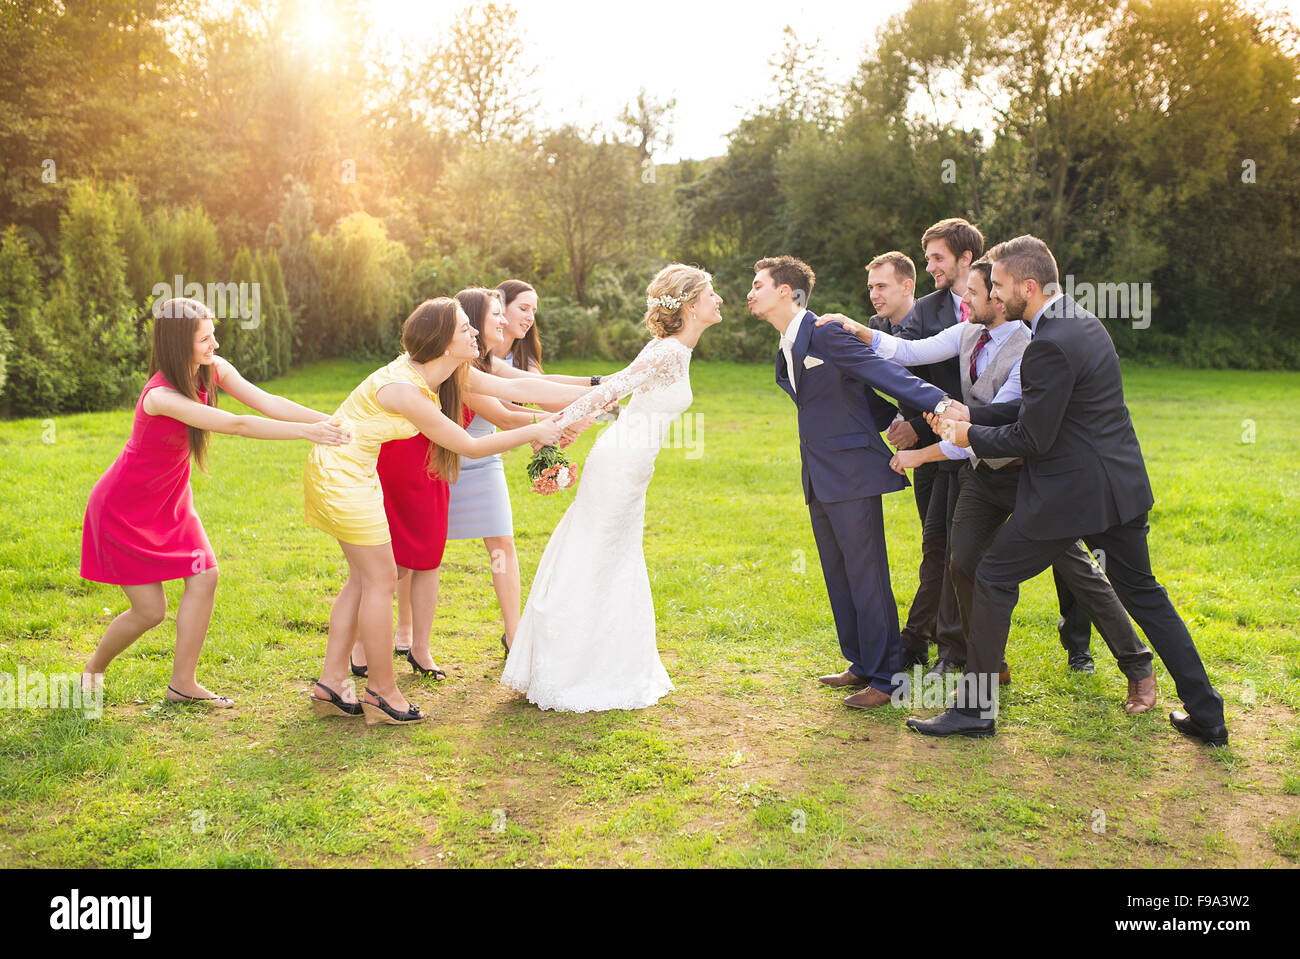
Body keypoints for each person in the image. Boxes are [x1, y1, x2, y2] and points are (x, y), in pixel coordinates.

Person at [920, 235, 1227, 745]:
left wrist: (966, 435)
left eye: (998, 287)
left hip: (1071, 495)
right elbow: (1035, 410)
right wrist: (970, 413)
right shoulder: (1082, 323)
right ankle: (1208, 713)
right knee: (1146, 596)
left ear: (1029, 286)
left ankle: (975, 712)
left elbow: (1033, 437)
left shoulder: (1047, 344)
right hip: (1120, 487)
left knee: (993, 575)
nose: (993, 296)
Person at [819, 256, 1157, 713]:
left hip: (1025, 473)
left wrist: (921, 452)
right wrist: (858, 330)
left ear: (1001, 300)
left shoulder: (1028, 347)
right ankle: (988, 663)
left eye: (979, 294)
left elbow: (997, 427)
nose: (970, 302)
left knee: (1077, 568)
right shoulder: (967, 332)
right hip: (981, 473)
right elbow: (908, 353)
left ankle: (1138, 666)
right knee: (962, 560)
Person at [304, 298, 582, 724]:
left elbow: (516, 390)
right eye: (466, 327)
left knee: (364, 579)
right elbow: (468, 446)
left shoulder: (442, 372)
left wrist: (604, 390)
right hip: (342, 475)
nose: (475, 333)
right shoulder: (406, 390)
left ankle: (331, 683)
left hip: (346, 470)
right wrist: (537, 429)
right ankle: (381, 692)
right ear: (442, 341)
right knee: (380, 578)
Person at [80, 297, 350, 708]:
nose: (215, 345)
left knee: (204, 576)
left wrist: (331, 420)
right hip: (124, 507)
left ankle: (182, 684)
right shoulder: (161, 396)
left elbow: (265, 401)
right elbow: (236, 424)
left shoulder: (212, 370)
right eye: (205, 339)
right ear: (177, 344)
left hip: (170, 502)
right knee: (150, 611)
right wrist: (305, 433)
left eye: (213, 334)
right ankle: (94, 669)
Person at [500, 264, 720, 712]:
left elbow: (621, 397)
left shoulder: (673, 350)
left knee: (608, 555)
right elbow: (611, 389)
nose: (720, 301)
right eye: (712, 294)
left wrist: (574, 423)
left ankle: (597, 661)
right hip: (619, 466)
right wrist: (554, 425)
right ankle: (569, 667)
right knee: (596, 554)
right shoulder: (670, 352)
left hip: (631, 465)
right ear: (692, 305)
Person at [748, 255, 950, 709]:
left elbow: (883, 373)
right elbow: (855, 396)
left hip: (853, 473)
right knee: (839, 574)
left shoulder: (825, 332)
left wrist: (937, 405)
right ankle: (860, 662)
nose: (750, 293)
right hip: (819, 475)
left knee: (866, 574)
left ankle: (887, 677)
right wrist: (888, 421)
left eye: (758, 285)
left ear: (786, 292)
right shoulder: (787, 345)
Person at [447, 286, 604, 654]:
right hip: (448, 459)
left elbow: (534, 385)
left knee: (503, 543)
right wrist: (554, 423)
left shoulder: (492, 362)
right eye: (499, 313)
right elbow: (504, 415)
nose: (507, 320)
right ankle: (405, 634)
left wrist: (598, 385)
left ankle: (514, 635)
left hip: (485, 460)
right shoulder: (460, 364)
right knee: (417, 557)